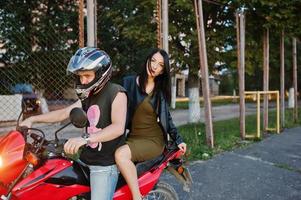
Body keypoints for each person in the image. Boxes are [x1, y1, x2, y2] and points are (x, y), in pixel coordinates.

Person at [20, 47, 127, 200]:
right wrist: (32, 119)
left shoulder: (117, 93)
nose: (83, 81)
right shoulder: (88, 95)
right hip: (84, 159)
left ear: (101, 73)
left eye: (87, 76)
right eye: (80, 76)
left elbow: (118, 128)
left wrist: (85, 139)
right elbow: (64, 113)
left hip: (104, 165)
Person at [114, 48, 187, 200]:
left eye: (160, 65)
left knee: (120, 155)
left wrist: (178, 139)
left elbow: (167, 117)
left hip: (152, 140)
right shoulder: (128, 82)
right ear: (147, 60)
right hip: (133, 137)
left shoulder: (159, 92)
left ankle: (136, 197)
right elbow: (114, 105)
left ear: (162, 71)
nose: (155, 66)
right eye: (153, 61)